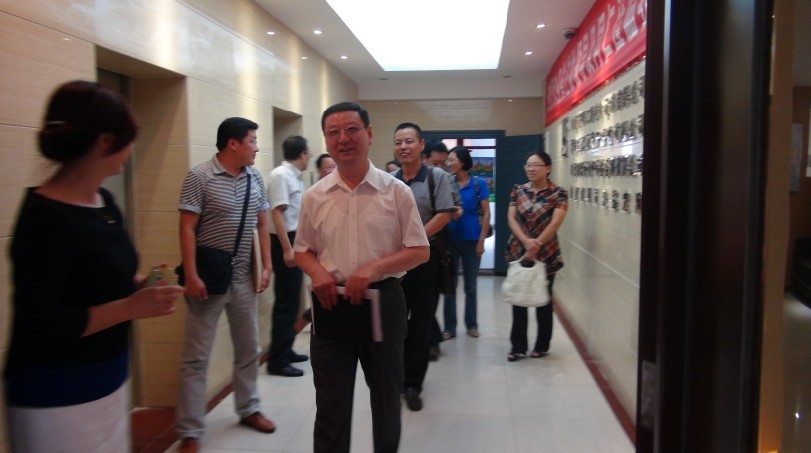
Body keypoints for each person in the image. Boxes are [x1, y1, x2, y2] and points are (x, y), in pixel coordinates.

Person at [3, 80, 183, 453]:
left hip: (109, 372)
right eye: (128, 140)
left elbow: (101, 277)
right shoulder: (45, 217)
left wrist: (141, 284)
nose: (131, 150)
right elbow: (43, 322)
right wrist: (131, 307)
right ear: (104, 142)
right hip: (56, 386)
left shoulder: (104, 203)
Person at [294, 102, 429, 453]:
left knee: (386, 399)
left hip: (383, 301)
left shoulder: (396, 192)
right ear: (326, 140)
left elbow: (420, 250)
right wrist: (316, 270)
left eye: (352, 129)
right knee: (330, 404)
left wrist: (373, 269)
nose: (343, 138)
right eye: (334, 132)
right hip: (330, 303)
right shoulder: (314, 196)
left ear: (369, 134)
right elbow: (302, 251)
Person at [175, 117, 274, 453]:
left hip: (243, 277)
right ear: (233, 143)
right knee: (196, 357)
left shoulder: (254, 177)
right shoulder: (200, 176)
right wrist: (191, 275)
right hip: (208, 280)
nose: (256, 147)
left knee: (249, 348)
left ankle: (249, 407)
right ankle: (190, 430)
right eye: (252, 140)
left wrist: (267, 265)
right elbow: (187, 228)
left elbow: (262, 224)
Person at [392, 123, 455, 411]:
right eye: (398, 142)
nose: (403, 146)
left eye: (409, 141)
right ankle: (395, 377)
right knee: (396, 323)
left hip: (425, 261)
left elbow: (444, 214)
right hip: (395, 263)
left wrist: (415, 240)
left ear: (420, 145)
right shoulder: (390, 180)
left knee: (421, 323)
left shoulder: (436, 176)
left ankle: (413, 384)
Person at [505, 150, 568, 362]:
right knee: (519, 300)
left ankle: (541, 345)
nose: (530, 169)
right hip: (519, 251)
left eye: (536, 165)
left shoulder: (559, 194)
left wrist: (536, 244)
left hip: (547, 254)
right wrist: (526, 242)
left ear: (548, 168)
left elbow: (555, 223)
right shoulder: (518, 190)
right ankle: (517, 347)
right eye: (528, 165)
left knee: (543, 301)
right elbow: (511, 219)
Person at [266, 135, 311, 377]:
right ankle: (277, 360)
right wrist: (287, 249)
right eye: (308, 153)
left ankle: (286, 349)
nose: (309, 157)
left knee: (293, 300)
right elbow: (277, 214)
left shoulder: (294, 176)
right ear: (302, 154)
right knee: (286, 302)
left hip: (295, 240)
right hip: (285, 242)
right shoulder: (281, 175)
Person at [443, 146, 491, 339]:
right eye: (447, 160)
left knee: (470, 286)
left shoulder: (479, 183)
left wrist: (481, 241)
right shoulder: (447, 182)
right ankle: (450, 328)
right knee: (450, 285)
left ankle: (472, 325)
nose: (448, 163)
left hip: (472, 241)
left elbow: (486, 213)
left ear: (462, 162)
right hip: (450, 240)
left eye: (451, 159)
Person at [421, 140, 462, 361]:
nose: (440, 167)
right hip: (406, 248)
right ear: (425, 159)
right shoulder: (404, 179)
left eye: (443, 163)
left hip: (437, 245)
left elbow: (457, 209)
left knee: (429, 297)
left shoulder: (447, 179)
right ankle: (428, 338)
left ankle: (431, 341)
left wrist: (450, 212)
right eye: (435, 163)